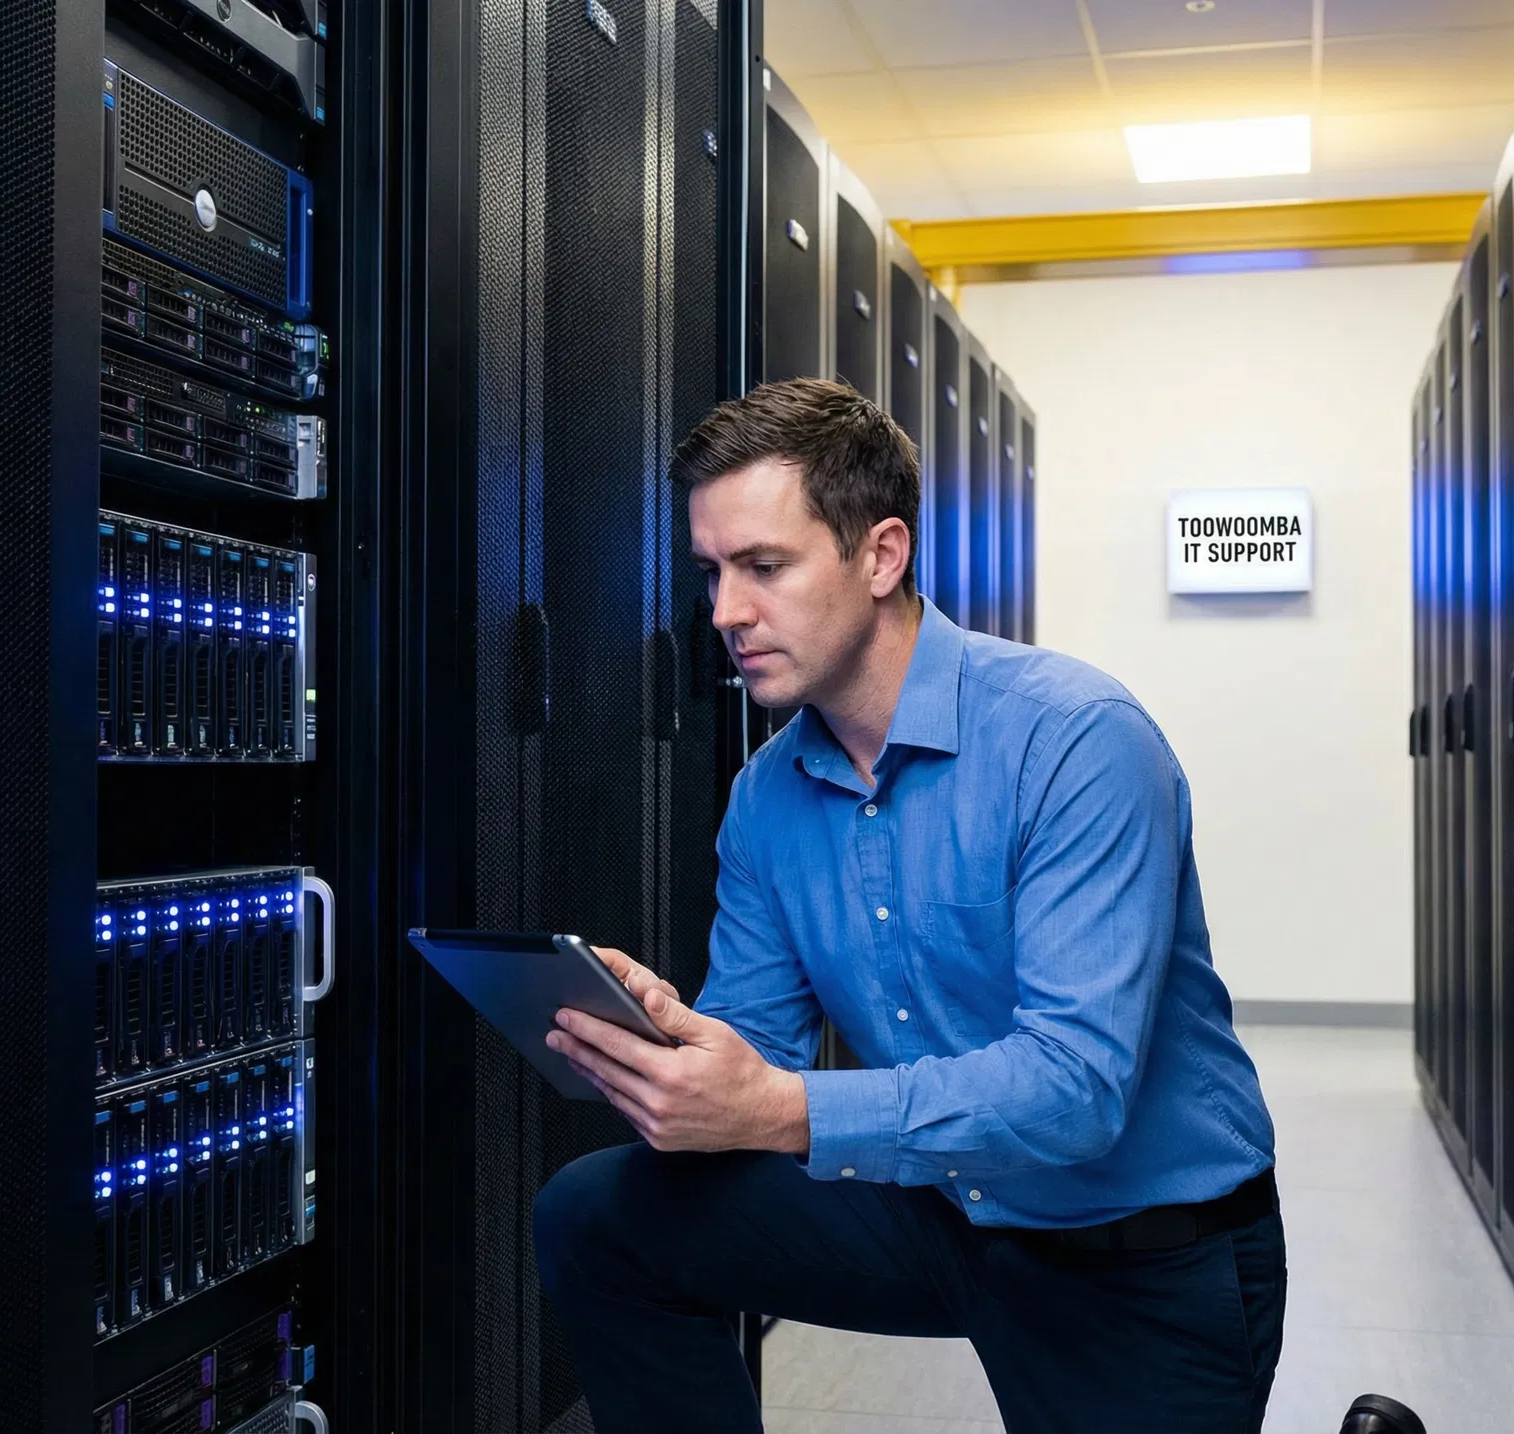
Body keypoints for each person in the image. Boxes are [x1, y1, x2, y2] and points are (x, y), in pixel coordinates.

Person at [532, 377, 1284, 1434]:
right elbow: (759, 1052)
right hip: (941, 1212)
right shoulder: (767, 798)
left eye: (764, 567)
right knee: (598, 1216)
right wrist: (672, 1054)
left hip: (1137, 1247)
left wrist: (777, 1107)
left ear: (881, 555)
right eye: (711, 572)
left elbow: (1076, 1090)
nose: (725, 612)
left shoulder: (1075, 740)